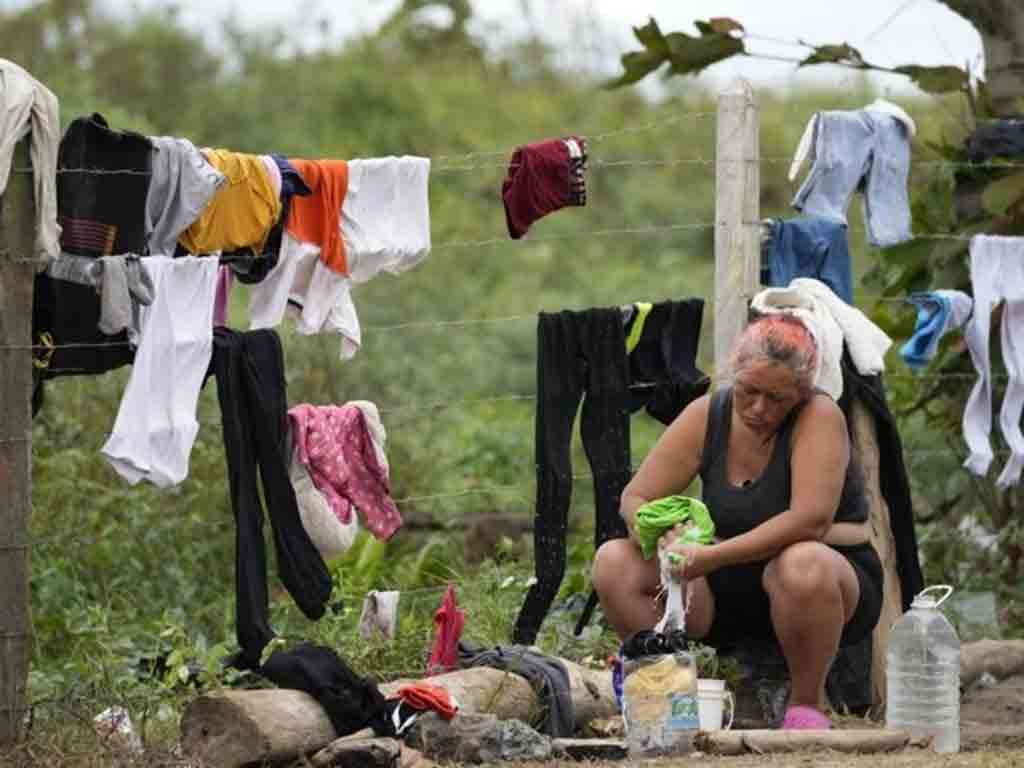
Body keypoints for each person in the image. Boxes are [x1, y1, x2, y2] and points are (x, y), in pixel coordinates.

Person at [592, 313, 883, 730]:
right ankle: (670, 700)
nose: (759, 408)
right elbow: (635, 498)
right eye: (749, 392)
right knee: (613, 562)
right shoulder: (708, 414)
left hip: (823, 585)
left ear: (801, 393)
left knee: (801, 563)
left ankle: (805, 707)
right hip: (721, 586)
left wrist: (710, 557)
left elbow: (810, 521)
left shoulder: (818, 416)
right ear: (734, 376)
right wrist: (657, 534)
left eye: (777, 398)